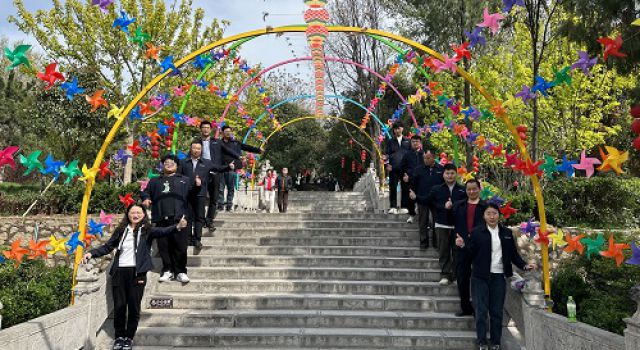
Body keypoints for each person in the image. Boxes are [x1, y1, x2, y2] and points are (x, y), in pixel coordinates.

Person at [82, 204, 188, 350]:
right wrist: (91, 253)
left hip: (138, 273)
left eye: (139, 212)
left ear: (144, 215)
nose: (136, 215)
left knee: (133, 306)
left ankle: (129, 338)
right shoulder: (121, 230)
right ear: (128, 214)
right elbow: (108, 247)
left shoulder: (148, 230)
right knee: (119, 306)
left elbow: (163, 231)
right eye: (133, 212)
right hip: (120, 272)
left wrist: (178, 226)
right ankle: (119, 337)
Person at [455, 203, 537, 350]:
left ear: (498, 215)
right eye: (488, 214)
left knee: (496, 312)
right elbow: (470, 253)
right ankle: (481, 342)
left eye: (494, 213)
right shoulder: (476, 232)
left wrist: (524, 265)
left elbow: (513, 255)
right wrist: (462, 246)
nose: (492, 216)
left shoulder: (506, 233)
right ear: (484, 216)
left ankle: (496, 342)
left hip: (499, 277)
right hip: (480, 277)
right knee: (480, 311)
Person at [141, 154, 194, 283]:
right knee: (164, 246)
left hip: (179, 218)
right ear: (162, 165)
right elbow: (145, 192)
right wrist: (146, 198)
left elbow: (193, 198)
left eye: (172, 162)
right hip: (160, 218)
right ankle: (167, 270)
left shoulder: (185, 180)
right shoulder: (154, 181)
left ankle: (180, 271)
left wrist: (188, 217)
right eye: (166, 162)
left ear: (177, 165)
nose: (169, 164)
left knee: (180, 246)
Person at [179, 141, 231, 249]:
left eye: (198, 148)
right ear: (190, 149)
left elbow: (218, 168)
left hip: (200, 194)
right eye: (194, 148)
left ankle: (197, 239)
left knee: (199, 217)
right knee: (187, 217)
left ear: (201, 150)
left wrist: (228, 167)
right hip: (187, 194)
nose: (196, 150)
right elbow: (179, 176)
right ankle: (188, 238)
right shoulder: (183, 162)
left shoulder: (207, 162)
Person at [426, 163, 467, 285]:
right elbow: (430, 203)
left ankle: (454, 276)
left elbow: (465, 206)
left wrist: (454, 206)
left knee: (456, 252)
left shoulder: (462, 190)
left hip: (457, 225)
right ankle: (445, 274)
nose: (450, 175)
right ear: (443, 175)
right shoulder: (437, 189)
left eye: (452, 173)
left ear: (456, 174)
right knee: (443, 251)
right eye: (447, 173)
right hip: (441, 224)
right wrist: (442, 207)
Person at [452, 178, 487, 317]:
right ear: (465, 191)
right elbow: (452, 223)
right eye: (469, 189)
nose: (471, 191)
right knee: (462, 277)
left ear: (479, 189)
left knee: (480, 278)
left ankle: (479, 307)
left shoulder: (486, 207)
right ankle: (465, 307)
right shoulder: (458, 205)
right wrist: (456, 238)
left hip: (480, 247)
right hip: (461, 245)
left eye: (474, 189)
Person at [195, 121, 240, 228]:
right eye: (203, 127)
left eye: (207, 127)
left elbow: (228, 150)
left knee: (214, 198)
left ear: (210, 130)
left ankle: (209, 220)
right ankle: (200, 220)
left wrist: (238, 157)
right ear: (201, 129)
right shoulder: (196, 143)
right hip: (201, 172)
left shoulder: (216, 142)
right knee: (200, 197)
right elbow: (190, 155)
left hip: (215, 172)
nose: (205, 129)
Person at [219, 125, 263, 211]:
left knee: (231, 188)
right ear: (222, 133)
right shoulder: (219, 143)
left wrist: (258, 150)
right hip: (221, 168)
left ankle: (229, 205)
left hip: (232, 168)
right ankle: (220, 205)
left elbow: (246, 147)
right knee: (220, 188)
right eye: (226, 131)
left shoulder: (236, 143)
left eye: (229, 131)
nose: (228, 133)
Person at [409, 150, 444, 249]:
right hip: (422, 198)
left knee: (436, 221)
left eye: (428, 158)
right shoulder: (418, 169)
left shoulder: (441, 169)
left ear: (434, 157)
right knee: (423, 221)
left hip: (436, 200)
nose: (426, 160)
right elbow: (413, 183)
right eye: (424, 158)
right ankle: (423, 243)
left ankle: (436, 242)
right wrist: (413, 194)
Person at [384, 121, 411, 214]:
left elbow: (411, 154)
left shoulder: (408, 141)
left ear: (402, 128)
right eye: (395, 129)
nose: (397, 130)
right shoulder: (390, 141)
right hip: (393, 168)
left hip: (405, 169)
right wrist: (387, 164)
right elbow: (386, 154)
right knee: (393, 187)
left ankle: (404, 206)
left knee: (405, 187)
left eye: (399, 128)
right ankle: (393, 206)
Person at [400, 135, 424, 223]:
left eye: (417, 141)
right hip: (410, 179)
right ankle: (411, 215)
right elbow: (402, 167)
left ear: (420, 143)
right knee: (410, 198)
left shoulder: (424, 154)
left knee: (422, 197)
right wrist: (404, 175)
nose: (415, 143)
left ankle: (423, 218)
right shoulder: (407, 154)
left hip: (422, 179)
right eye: (413, 141)